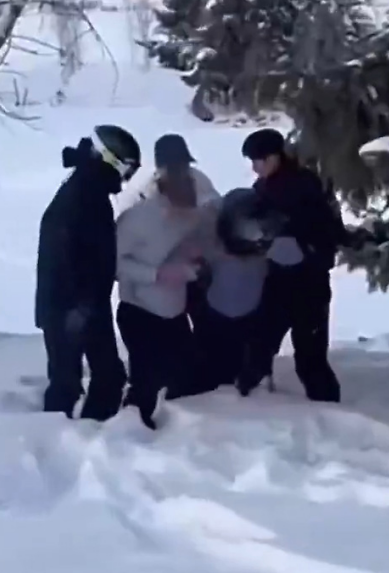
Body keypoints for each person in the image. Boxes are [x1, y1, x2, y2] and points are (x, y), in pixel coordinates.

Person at [35, 124, 141, 421]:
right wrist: (77, 307)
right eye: (128, 169)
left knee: (107, 376)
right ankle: (49, 443)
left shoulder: (89, 188)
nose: (127, 178)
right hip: (71, 306)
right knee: (67, 382)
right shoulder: (82, 194)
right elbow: (63, 252)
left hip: (86, 303)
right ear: (111, 159)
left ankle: (90, 434)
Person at [238, 128, 346, 402]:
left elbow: (328, 229)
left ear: (276, 156)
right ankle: (242, 403)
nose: (255, 167)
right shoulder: (260, 189)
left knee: (310, 357)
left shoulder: (305, 185)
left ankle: (330, 412)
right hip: (277, 281)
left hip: (309, 283)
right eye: (251, 161)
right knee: (258, 345)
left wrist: (302, 245)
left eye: (259, 160)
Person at [115, 156, 206, 430]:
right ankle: (131, 433)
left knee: (185, 373)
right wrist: (156, 275)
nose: (185, 216)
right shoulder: (136, 219)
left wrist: (194, 261)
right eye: (180, 210)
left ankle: (181, 432)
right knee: (146, 379)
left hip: (174, 313)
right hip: (140, 311)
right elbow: (115, 264)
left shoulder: (191, 216)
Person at [135, 133, 221, 377]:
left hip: (199, 266)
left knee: (206, 322)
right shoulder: (147, 191)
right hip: (164, 272)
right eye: (174, 166)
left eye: (183, 165)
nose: (180, 171)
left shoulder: (199, 182)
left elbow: (215, 213)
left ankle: (208, 370)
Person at [189, 187, 284, 392]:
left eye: (263, 229)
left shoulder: (265, 252)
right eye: (252, 229)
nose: (259, 236)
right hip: (214, 319)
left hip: (251, 321)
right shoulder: (208, 245)